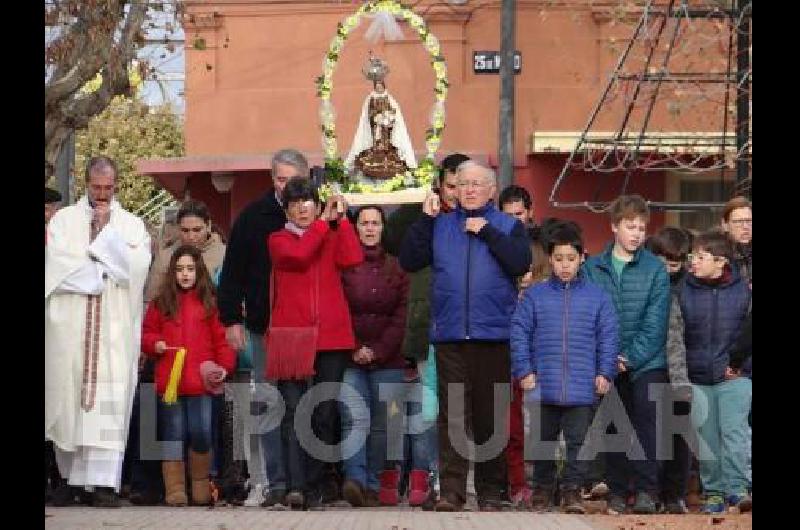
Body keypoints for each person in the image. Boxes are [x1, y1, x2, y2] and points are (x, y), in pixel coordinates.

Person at [399, 160, 532, 512]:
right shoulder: (440, 225)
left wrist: (487, 231)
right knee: (453, 416)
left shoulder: (507, 225)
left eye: (477, 183)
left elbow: (520, 263)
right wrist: (425, 220)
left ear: (491, 190)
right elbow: (409, 260)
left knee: (491, 418)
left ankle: (491, 492)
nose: (469, 189)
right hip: (450, 336)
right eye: (462, 184)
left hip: (495, 336)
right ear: (453, 189)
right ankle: (453, 492)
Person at [45, 156, 151, 507]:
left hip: (113, 331)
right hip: (72, 329)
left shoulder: (131, 225)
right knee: (67, 397)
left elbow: (135, 269)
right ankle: (70, 480)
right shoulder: (64, 220)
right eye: (96, 188)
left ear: (116, 185)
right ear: (85, 183)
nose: (102, 195)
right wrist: (98, 271)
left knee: (108, 401)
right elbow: (58, 267)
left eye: (108, 188)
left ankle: (103, 484)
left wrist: (104, 243)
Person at [217, 149, 307, 507]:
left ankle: (304, 483)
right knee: (270, 406)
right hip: (263, 328)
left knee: (302, 406)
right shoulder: (253, 217)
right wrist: (230, 320)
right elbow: (233, 271)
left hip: (304, 332)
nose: (285, 188)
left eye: (292, 181)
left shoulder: (314, 216)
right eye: (279, 180)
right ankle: (274, 483)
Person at [267, 178, 363, 510]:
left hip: (332, 336)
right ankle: (295, 486)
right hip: (292, 336)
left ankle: (319, 484)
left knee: (324, 412)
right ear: (287, 209)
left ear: (316, 202)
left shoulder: (329, 231)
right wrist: (325, 223)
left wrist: (344, 220)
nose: (302, 208)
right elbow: (301, 255)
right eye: (295, 203)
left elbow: (352, 259)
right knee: (294, 412)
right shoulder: (278, 239)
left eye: (307, 201)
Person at [511, 224, 619, 514]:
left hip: (583, 385)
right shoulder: (535, 296)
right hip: (542, 383)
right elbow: (520, 333)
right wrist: (524, 370)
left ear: (582, 258)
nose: (564, 265)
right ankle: (543, 491)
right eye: (558, 259)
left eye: (570, 258)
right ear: (550, 259)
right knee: (543, 441)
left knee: (577, 443)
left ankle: (572, 491)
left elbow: (608, 337)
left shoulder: (598, 298)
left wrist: (605, 372)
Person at [583, 195, 670, 515]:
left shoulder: (655, 269)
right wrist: (608, 360)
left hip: (648, 362)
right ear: (614, 227)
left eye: (642, 228)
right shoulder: (593, 268)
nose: (636, 233)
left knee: (648, 423)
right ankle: (618, 491)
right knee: (613, 426)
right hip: (607, 360)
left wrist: (627, 358)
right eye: (630, 226)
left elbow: (655, 323)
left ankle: (647, 491)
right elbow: (590, 316)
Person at [141, 245, 236, 505]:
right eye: (180, 269)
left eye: (190, 269)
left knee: (202, 432)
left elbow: (223, 340)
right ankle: (175, 489)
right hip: (170, 383)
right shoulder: (161, 303)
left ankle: (200, 486)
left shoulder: (210, 303)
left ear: (199, 271)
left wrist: (224, 367)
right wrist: (155, 343)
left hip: (202, 384)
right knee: (173, 434)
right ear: (173, 272)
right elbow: (147, 333)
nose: (185, 274)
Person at [339, 205, 412, 507]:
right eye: (364, 223)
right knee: (352, 416)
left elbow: (402, 315)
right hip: (350, 355)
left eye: (375, 223)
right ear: (355, 228)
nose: (369, 228)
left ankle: (373, 484)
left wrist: (378, 350)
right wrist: (355, 347)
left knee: (384, 424)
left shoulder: (398, 267)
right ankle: (354, 479)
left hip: (388, 357)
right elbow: (338, 309)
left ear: (383, 228)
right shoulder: (342, 266)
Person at [679, 230, 751, 514]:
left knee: (735, 433)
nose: (693, 262)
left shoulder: (743, 291)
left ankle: (738, 489)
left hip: (735, 377)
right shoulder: (682, 290)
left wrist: (743, 368)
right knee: (706, 438)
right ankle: (714, 492)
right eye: (692, 256)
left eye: (700, 256)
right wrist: (682, 375)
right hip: (696, 376)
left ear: (720, 261)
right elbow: (675, 336)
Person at [644, 227, 694, 514]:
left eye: (673, 264)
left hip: (683, 368)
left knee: (678, 434)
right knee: (649, 433)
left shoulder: (689, 286)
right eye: (662, 261)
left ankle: (675, 494)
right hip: (650, 364)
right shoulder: (647, 279)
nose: (667, 269)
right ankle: (649, 491)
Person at [346, 53, 416, 180]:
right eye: (376, 86)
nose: (378, 88)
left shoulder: (390, 100)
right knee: (376, 144)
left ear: (383, 86)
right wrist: (376, 118)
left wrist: (388, 118)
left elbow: (395, 113)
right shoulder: (370, 99)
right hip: (375, 128)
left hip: (386, 128)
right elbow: (367, 116)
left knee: (387, 145)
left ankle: (388, 158)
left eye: (380, 86)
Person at [145, 199, 226, 303]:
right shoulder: (166, 256)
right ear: (178, 228)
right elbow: (152, 298)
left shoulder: (224, 255)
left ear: (208, 226)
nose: (191, 236)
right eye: (185, 230)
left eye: (197, 230)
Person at [720, 196, 751, 287]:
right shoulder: (716, 255)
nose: (745, 226)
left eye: (749, 221)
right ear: (725, 225)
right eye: (738, 222)